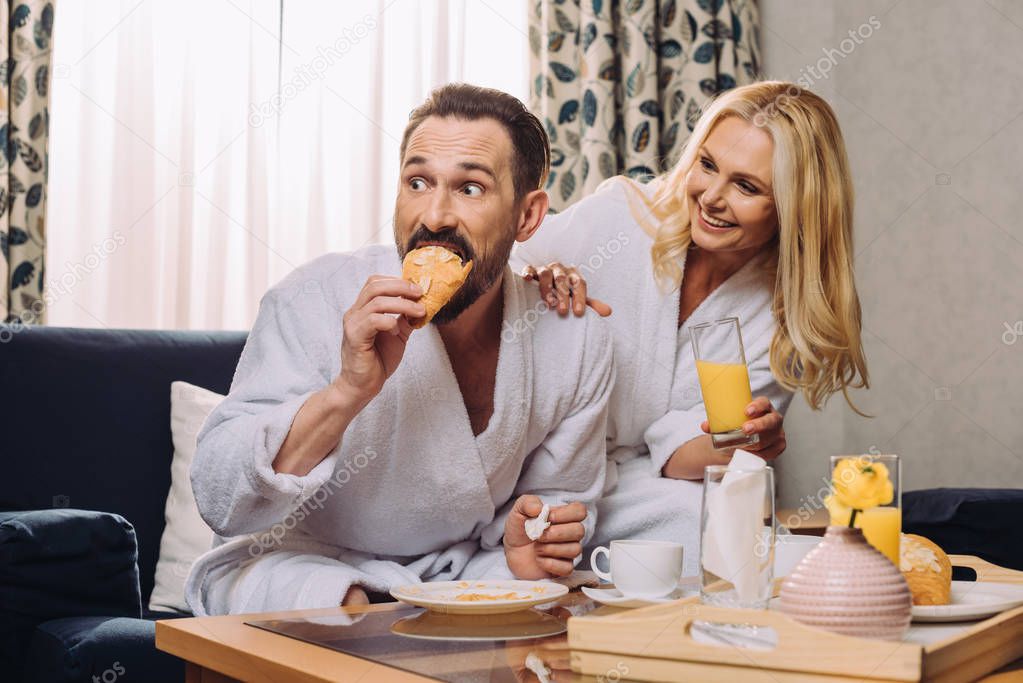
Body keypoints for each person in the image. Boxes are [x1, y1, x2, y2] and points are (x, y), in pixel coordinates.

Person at [184, 84, 614, 615]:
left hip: (454, 574)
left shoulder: (573, 337)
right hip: (296, 562)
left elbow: (559, 496)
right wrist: (347, 391)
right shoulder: (313, 299)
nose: (434, 216)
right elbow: (221, 495)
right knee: (340, 606)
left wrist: (528, 544)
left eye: (470, 189)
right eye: (418, 182)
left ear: (527, 216)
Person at [513, 81, 869, 573]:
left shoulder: (779, 319)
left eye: (746, 187)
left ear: (794, 206)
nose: (711, 197)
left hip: (629, 484)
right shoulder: (622, 217)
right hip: (533, 457)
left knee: (713, 525)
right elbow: (500, 270)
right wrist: (533, 278)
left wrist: (738, 444)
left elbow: (682, 452)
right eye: (707, 165)